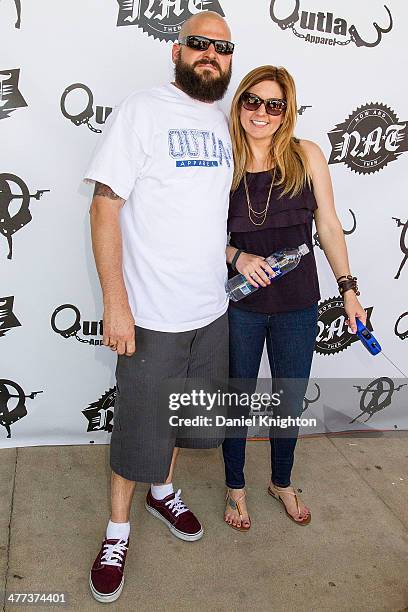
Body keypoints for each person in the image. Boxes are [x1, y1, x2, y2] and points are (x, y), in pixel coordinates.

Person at [83, 12, 234, 603]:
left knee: (179, 421)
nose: (210, 55)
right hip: (151, 315)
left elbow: (199, 218)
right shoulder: (142, 110)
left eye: (221, 48)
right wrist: (116, 305)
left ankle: (162, 491)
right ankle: (117, 531)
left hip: (209, 310)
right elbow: (103, 207)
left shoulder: (221, 122)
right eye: (199, 44)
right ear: (177, 51)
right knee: (136, 434)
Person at [222, 65, 366, 530]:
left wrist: (349, 291)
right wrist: (235, 254)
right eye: (253, 101)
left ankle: (281, 482)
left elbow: (327, 226)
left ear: (287, 112)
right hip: (239, 303)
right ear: (240, 102)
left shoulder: (307, 155)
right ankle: (235, 488)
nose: (261, 112)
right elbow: (194, 231)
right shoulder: (223, 157)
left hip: (298, 305)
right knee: (237, 400)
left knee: (289, 400)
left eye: (274, 104)